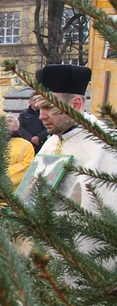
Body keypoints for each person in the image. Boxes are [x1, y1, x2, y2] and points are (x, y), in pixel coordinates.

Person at [34, 64, 117, 212]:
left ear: (76, 104)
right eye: (39, 108)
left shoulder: (105, 146)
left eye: (48, 107)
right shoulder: (52, 141)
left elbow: (103, 217)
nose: (41, 116)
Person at [0, 114, 35, 211]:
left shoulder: (26, 145)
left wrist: (2, 175)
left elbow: (27, 166)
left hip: (13, 189)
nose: (5, 124)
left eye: (9, 121)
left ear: (17, 127)